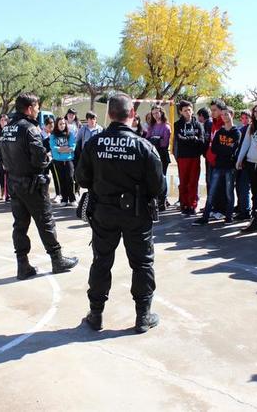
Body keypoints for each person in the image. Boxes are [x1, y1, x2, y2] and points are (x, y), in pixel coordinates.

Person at [75, 93, 164, 334]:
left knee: (101, 262)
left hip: (104, 213)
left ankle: (96, 315)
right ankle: (143, 317)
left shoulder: (95, 143)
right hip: (136, 214)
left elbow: (81, 178)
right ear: (132, 115)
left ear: (109, 114)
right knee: (142, 264)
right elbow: (159, 188)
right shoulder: (144, 146)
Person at [0, 92, 78, 280]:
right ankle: (57, 259)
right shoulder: (30, 129)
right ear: (29, 108)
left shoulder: (7, 128)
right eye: (36, 107)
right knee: (46, 221)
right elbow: (40, 159)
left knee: (20, 225)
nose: (38, 110)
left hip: (14, 182)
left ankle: (22, 264)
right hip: (33, 183)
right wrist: (47, 158)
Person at [193, 107, 241, 225]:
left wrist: (223, 149)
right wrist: (225, 149)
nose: (224, 116)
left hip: (230, 167)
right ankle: (205, 218)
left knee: (229, 193)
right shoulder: (220, 132)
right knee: (212, 192)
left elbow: (233, 150)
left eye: (226, 114)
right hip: (218, 166)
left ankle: (228, 217)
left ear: (232, 115)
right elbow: (214, 148)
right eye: (222, 115)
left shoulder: (236, 132)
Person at [174, 100, 207, 215]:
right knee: (183, 182)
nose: (187, 112)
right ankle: (184, 204)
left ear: (192, 110)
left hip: (194, 157)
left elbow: (202, 141)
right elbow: (179, 139)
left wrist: (191, 140)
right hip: (183, 157)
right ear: (181, 112)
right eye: (185, 110)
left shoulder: (198, 125)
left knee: (193, 182)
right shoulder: (177, 124)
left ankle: (192, 205)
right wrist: (193, 139)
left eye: (189, 110)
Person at [146, 105, 172, 211]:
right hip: (153, 155)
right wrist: (156, 139)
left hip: (162, 154)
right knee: (153, 177)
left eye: (157, 112)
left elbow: (164, 143)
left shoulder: (166, 126)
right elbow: (147, 140)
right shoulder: (151, 126)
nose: (156, 115)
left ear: (161, 113)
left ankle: (163, 200)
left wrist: (154, 139)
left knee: (163, 177)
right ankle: (155, 199)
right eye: (153, 113)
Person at [50, 117, 77, 206]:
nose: (62, 125)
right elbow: (53, 148)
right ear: (57, 125)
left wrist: (60, 149)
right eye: (60, 124)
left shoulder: (70, 134)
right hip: (58, 161)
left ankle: (72, 199)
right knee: (61, 180)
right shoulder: (53, 135)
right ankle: (64, 199)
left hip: (68, 160)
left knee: (70, 179)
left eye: (63, 124)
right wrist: (64, 149)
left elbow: (72, 148)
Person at [234, 109, 252, 220]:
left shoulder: (250, 129)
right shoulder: (240, 129)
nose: (244, 120)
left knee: (244, 186)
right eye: (243, 118)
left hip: (246, 162)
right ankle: (240, 206)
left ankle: (245, 210)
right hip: (239, 160)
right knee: (238, 186)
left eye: (247, 118)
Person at [42, 117, 61, 202]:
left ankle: (58, 194)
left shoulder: (53, 135)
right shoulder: (40, 134)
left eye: (52, 127)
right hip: (44, 160)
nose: (51, 128)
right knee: (45, 177)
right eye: (49, 127)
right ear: (45, 126)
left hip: (53, 159)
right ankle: (44, 194)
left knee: (56, 176)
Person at [0, 114, 10, 202]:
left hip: (9, 156)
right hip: (0, 156)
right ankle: (3, 192)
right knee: (2, 173)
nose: (3, 122)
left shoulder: (11, 131)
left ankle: (9, 192)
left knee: (10, 175)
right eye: (1, 120)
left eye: (5, 120)